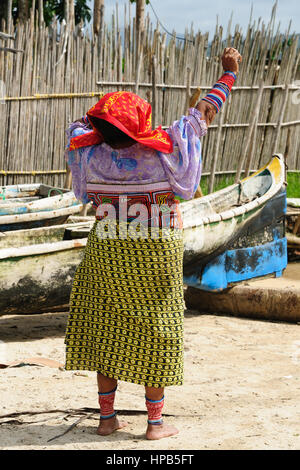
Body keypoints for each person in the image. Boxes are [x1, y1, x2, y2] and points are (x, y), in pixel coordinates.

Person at [64, 47, 242, 440]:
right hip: (156, 252)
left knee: (107, 326)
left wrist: (100, 124)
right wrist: (228, 74)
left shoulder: (89, 154)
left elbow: (77, 127)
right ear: (139, 125)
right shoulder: (167, 151)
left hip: (108, 248)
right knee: (156, 328)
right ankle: (155, 426)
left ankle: (107, 419)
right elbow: (205, 112)